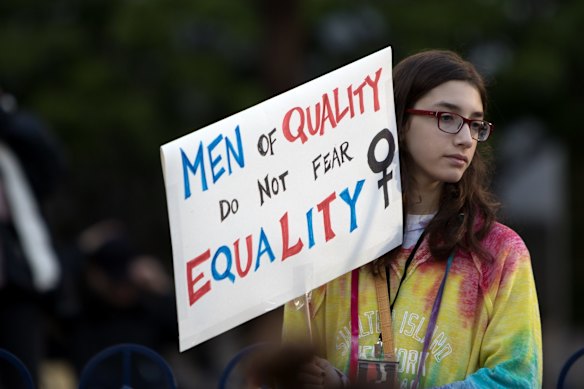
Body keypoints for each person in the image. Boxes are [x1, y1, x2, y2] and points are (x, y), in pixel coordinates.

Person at [281, 50, 542, 388]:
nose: (465, 138)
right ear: (400, 122)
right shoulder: (329, 244)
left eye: (476, 124)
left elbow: (518, 379)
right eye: (447, 117)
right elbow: (290, 369)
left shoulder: (499, 252)